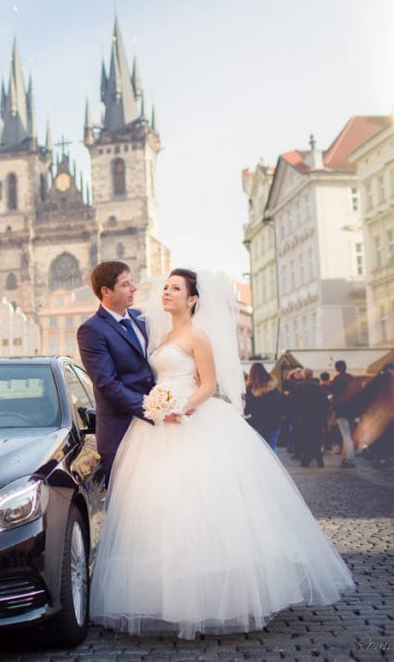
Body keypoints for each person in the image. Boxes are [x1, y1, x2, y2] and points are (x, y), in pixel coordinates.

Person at [90, 268, 354, 639]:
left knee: (207, 506)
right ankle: (166, 591)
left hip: (190, 418)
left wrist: (180, 406)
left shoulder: (199, 335)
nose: (164, 292)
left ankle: (218, 592)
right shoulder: (157, 331)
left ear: (193, 298)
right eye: (165, 287)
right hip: (155, 425)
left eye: (175, 288)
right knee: (160, 511)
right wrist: (158, 407)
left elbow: (209, 384)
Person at [76, 260, 154, 481]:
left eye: (132, 282)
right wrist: (152, 409)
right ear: (106, 291)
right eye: (125, 284)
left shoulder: (142, 319)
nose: (134, 288)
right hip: (122, 432)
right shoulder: (91, 330)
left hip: (159, 432)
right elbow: (107, 384)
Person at [289, 368, 329, 467]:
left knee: (305, 437)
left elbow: (293, 402)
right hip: (317, 416)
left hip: (303, 416)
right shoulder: (319, 387)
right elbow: (325, 402)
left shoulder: (299, 386)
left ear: (304, 375)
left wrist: (294, 415)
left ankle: (306, 460)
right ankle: (319, 458)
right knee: (316, 437)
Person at [244, 362, 286, 451]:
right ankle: (272, 465)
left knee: (261, 450)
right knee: (271, 449)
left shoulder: (250, 388)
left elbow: (248, 408)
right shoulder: (273, 387)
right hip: (274, 422)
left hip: (257, 421)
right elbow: (280, 403)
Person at [331, 360, 359, 468]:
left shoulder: (337, 380)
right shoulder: (351, 378)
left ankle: (350, 458)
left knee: (345, 435)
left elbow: (334, 395)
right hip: (352, 411)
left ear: (336, 368)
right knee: (348, 435)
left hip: (341, 411)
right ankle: (348, 456)